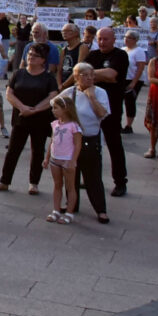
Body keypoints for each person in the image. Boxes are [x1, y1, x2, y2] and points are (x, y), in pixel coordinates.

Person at [0, 43, 58, 194]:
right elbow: (9, 93)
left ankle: (34, 183)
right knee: (13, 150)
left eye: (35, 55)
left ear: (43, 60)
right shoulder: (19, 73)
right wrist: (23, 108)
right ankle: (4, 181)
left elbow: (52, 96)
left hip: (40, 119)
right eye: (29, 54)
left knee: (37, 151)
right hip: (21, 118)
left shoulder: (48, 78)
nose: (31, 57)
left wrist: (35, 109)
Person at [59, 63, 111, 223]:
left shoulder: (100, 92)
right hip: (72, 140)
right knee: (71, 174)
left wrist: (91, 97)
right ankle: (72, 204)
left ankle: (101, 209)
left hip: (90, 140)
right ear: (76, 77)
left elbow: (103, 113)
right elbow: (55, 108)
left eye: (91, 75)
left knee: (93, 176)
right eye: (85, 75)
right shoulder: (69, 92)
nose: (89, 78)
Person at [83, 26, 130, 196]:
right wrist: (92, 74)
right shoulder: (93, 55)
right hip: (90, 108)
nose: (102, 42)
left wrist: (89, 73)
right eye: (99, 39)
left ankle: (120, 182)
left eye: (106, 39)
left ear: (113, 39)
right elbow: (80, 74)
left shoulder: (120, 55)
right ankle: (89, 178)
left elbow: (111, 75)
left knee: (114, 145)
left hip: (111, 108)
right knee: (88, 144)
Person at [43, 96, 82, 225]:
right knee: (57, 185)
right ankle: (56, 209)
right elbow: (52, 141)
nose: (53, 110)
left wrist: (73, 160)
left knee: (70, 187)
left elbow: (77, 144)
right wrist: (47, 157)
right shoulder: (55, 124)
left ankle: (69, 212)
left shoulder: (74, 126)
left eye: (56, 108)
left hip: (67, 160)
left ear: (65, 109)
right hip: (55, 158)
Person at [122, 29, 147, 134]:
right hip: (123, 79)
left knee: (130, 101)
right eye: (125, 37)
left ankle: (129, 125)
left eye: (129, 38)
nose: (126, 39)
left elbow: (140, 67)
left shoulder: (139, 51)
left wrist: (134, 82)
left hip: (134, 79)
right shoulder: (123, 49)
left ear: (135, 40)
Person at [58, 23, 88, 90]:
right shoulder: (64, 50)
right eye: (63, 31)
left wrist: (64, 85)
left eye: (68, 31)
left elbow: (79, 69)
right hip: (63, 85)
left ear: (76, 33)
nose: (64, 33)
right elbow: (59, 70)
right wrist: (59, 85)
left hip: (75, 85)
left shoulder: (82, 47)